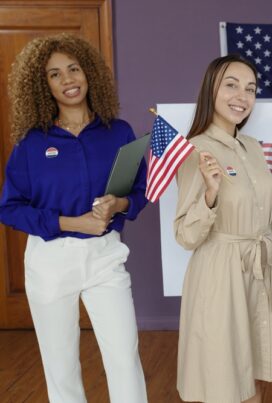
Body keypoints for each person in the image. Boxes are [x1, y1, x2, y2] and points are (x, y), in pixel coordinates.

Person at [0, 34, 148, 402]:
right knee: (60, 364)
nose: (67, 80)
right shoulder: (31, 144)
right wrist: (72, 223)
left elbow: (140, 192)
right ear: (42, 84)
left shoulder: (119, 132)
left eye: (73, 69)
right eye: (54, 74)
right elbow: (9, 207)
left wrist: (118, 205)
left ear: (88, 73)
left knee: (124, 358)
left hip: (105, 256)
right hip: (50, 261)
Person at [174, 54, 272, 403]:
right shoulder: (195, 150)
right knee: (222, 378)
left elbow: (270, 218)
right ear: (211, 90)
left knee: (255, 370)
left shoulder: (252, 148)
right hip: (219, 276)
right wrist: (210, 194)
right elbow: (185, 235)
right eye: (231, 85)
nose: (242, 96)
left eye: (250, 89)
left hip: (259, 273)